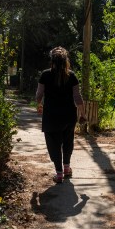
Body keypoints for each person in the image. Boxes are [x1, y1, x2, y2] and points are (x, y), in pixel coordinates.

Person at [35, 46, 87, 183]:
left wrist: (39, 105)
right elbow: (77, 97)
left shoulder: (45, 75)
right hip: (69, 116)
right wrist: (82, 114)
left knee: (54, 144)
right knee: (68, 142)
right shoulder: (72, 75)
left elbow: (39, 94)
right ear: (66, 61)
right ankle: (67, 169)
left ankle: (59, 174)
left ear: (52, 60)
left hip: (51, 116)